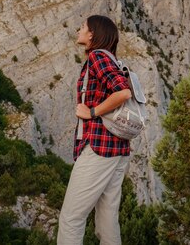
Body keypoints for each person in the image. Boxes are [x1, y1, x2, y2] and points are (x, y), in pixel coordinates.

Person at [57, 15, 132, 245]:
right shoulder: (111, 59)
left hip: (99, 149)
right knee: (107, 219)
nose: (79, 30)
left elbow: (123, 92)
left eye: (83, 27)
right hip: (118, 150)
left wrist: (91, 112)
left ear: (92, 34)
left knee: (71, 218)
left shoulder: (98, 57)